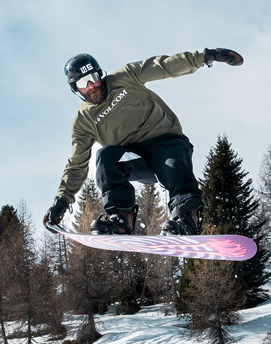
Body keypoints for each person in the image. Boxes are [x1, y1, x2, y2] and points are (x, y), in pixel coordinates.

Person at [43, 48, 244, 235]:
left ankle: (186, 214)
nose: (92, 86)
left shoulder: (126, 77)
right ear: (75, 89)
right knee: (105, 156)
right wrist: (61, 201)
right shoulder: (83, 121)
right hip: (136, 158)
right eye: (83, 83)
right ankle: (121, 217)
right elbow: (76, 164)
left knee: (173, 165)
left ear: (100, 75)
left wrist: (206, 57)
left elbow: (164, 65)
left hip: (166, 143)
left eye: (94, 78)